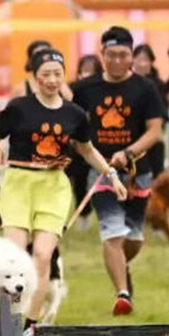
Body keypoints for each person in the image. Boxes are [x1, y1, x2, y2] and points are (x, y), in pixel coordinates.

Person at [0, 48, 126, 336]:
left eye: (57, 74)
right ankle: (8, 320)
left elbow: (87, 150)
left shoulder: (75, 114)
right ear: (35, 77)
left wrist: (112, 175)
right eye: (45, 74)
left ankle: (30, 324)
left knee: (42, 255)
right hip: (19, 185)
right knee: (15, 258)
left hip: (54, 188)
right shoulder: (19, 107)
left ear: (64, 76)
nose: (51, 80)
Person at [72, 27, 165, 316]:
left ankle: (122, 268)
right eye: (110, 55)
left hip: (138, 172)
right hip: (101, 172)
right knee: (112, 232)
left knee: (134, 238)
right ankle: (122, 295)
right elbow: (70, 122)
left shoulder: (146, 88)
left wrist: (129, 153)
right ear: (102, 54)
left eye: (123, 55)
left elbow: (155, 131)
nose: (116, 60)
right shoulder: (84, 89)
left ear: (131, 56)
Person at [67, 53, 102, 229]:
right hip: (77, 142)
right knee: (79, 179)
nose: (87, 74)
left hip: (99, 140)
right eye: (84, 70)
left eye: (91, 71)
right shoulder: (73, 89)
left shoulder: (104, 90)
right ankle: (83, 214)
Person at [132, 44, 168, 178]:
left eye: (146, 60)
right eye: (139, 59)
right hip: (132, 138)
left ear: (151, 62)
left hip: (154, 138)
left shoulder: (158, 85)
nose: (142, 64)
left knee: (157, 175)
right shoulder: (127, 83)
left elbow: (163, 113)